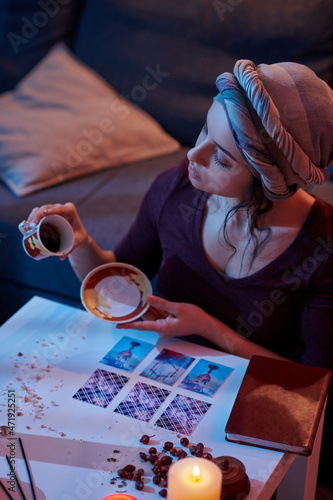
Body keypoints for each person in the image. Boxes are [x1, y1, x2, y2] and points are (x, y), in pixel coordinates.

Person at [26, 59, 333, 370]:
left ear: (273, 181)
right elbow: (118, 285)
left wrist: (208, 327)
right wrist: (79, 242)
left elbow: (315, 381)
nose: (192, 155)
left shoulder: (322, 249)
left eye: (222, 160)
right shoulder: (175, 188)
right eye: (205, 129)